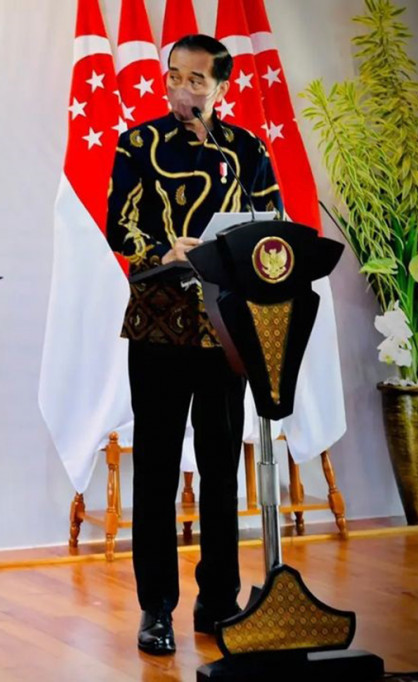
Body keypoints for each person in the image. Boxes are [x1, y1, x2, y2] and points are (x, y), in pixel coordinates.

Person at [105, 34, 282, 656]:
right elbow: (117, 223)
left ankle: (220, 600)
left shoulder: (247, 148)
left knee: (219, 465)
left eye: (197, 79)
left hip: (226, 328)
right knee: (153, 467)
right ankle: (157, 607)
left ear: (222, 87)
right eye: (174, 75)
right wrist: (164, 249)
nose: (182, 87)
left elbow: (272, 220)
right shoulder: (140, 143)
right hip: (158, 321)